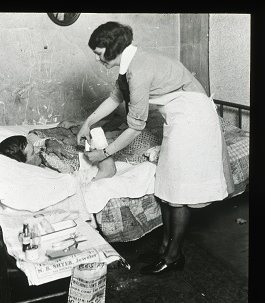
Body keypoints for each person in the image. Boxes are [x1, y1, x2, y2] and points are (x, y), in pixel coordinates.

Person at [76, 21, 235, 275]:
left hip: (193, 117)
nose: (97, 58)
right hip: (180, 116)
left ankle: (173, 256)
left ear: (112, 49)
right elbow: (115, 98)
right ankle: (164, 248)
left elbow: (135, 127)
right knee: (166, 184)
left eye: (98, 52)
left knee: (178, 190)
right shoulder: (130, 63)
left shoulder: (137, 71)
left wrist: (104, 153)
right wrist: (88, 123)